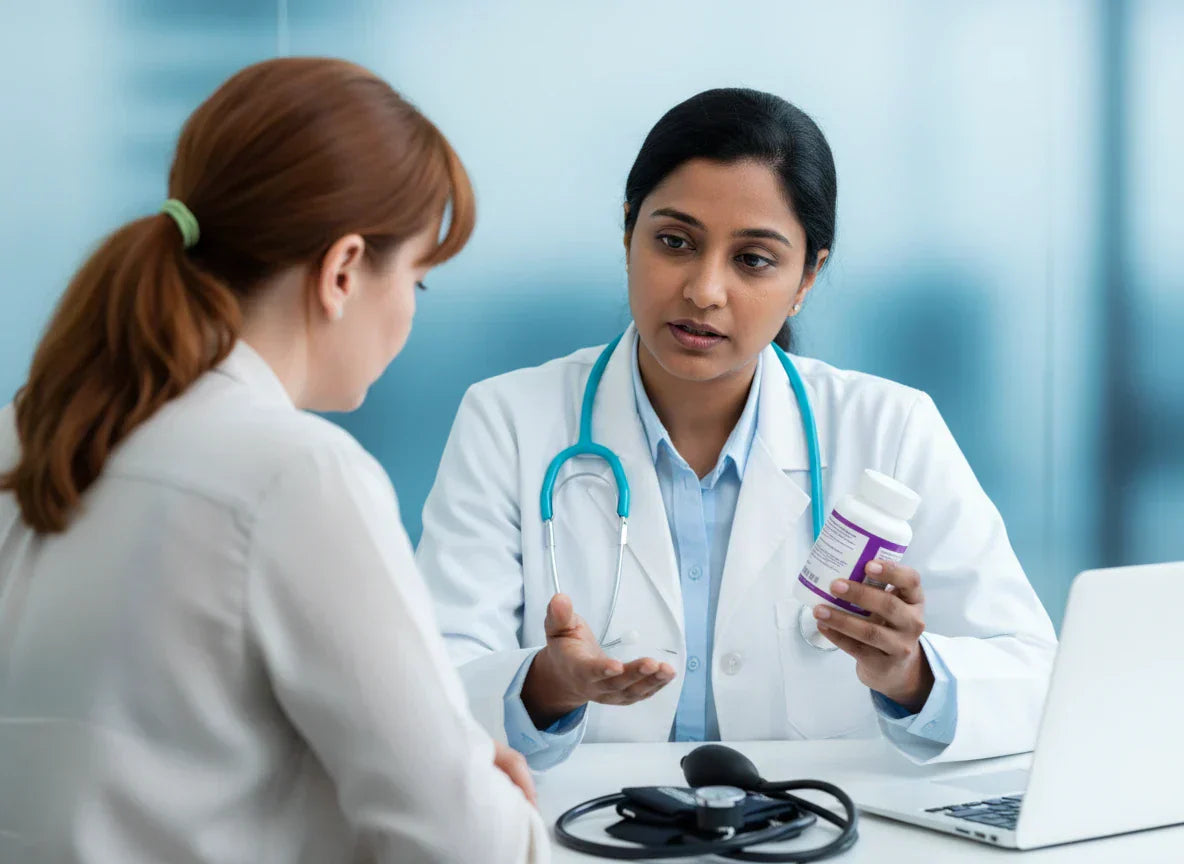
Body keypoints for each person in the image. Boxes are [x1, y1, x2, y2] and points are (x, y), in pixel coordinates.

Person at [0, 58, 546, 864]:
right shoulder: (297, 476)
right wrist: (480, 791)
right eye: (418, 283)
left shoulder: (29, 428)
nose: (409, 316)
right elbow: (465, 847)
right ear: (343, 270)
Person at [416, 88, 1057, 772]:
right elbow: (433, 685)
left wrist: (912, 675)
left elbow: (1034, 675)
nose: (704, 290)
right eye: (674, 242)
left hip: (823, 833)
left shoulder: (892, 428)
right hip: (584, 833)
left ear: (808, 276)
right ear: (628, 232)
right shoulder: (508, 421)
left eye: (752, 259)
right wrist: (546, 685)